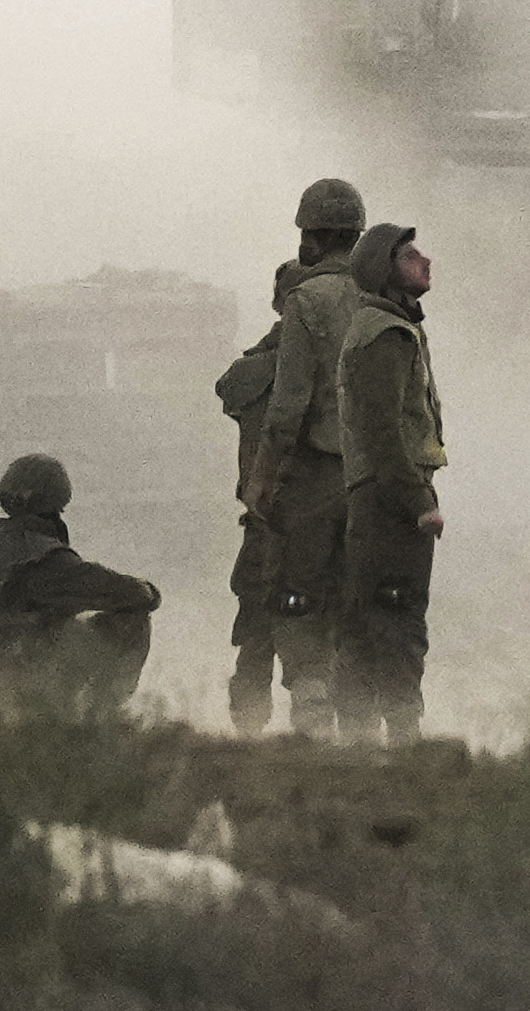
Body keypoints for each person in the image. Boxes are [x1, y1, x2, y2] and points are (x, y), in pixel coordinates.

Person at [234, 174, 370, 734]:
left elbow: (286, 410)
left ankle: (311, 730)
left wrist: (260, 489)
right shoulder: (387, 300)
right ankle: (371, 738)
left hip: (315, 480)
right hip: (376, 482)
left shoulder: (306, 301)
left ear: (310, 238)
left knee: (295, 604)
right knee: (360, 612)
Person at [0, 452, 159, 717]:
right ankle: (99, 723)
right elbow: (131, 595)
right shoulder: (42, 555)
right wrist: (151, 592)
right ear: (59, 500)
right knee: (132, 623)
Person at [335, 218, 449, 741]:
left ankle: (359, 741)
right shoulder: (385, 335)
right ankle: (403, 741)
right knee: (398, 620)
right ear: (385, 273)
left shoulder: (386, 328)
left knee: (370, 621)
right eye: (409, 257)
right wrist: (418, 500)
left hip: (378, 499)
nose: (424, 262)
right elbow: (383, 432)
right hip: (390, 502)